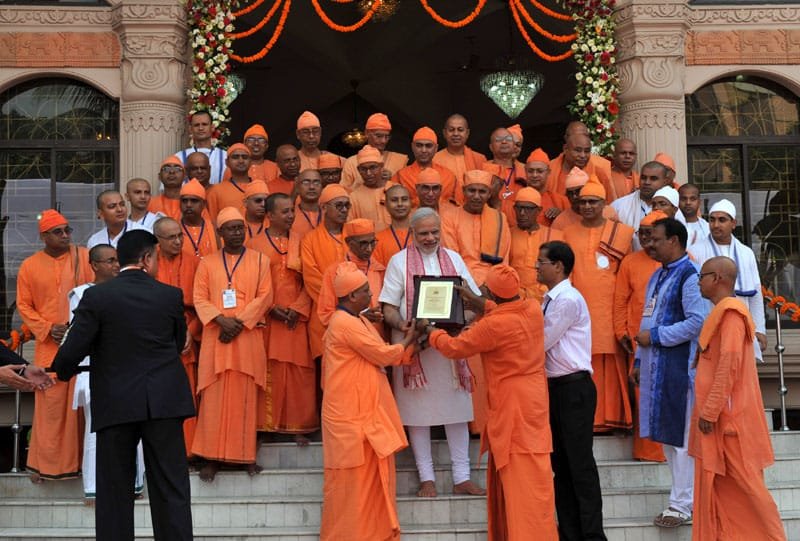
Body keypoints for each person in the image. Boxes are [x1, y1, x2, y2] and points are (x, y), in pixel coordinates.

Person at [52, 229, 194, 541]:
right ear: (146, 259)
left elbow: (74, 348)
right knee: (171, 487)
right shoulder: (170, 295)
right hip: (164, 401)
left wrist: (59, 372)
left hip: (116, 402)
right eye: (156, 257)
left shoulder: (98, 296)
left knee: (114, 490)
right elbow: (175, 343)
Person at [424, 265, 558, 540]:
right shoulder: (532, 308)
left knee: (522, 485)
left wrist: (430, 332)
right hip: (533, 400)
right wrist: (478, 300)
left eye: (485, 289)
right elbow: (503, 308)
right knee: (535, 480)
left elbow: (454, 348)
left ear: (493, 294)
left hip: (512, 406)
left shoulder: (493, 325)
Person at [379, 207, 483, 498]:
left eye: (434, 232)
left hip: (450, 347)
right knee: (417, 414)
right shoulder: (398, 262)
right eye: (423, 233)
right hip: (415, 348)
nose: (430, 238)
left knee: (457, 413)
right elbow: (387, 306)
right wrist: (405, 325)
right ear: (412, 233)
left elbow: (475, 301)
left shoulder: (455, 259)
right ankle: (427, 478)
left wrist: (463, 324)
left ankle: (462, 477)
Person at [689, 256, 787, 541]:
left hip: (730, 424)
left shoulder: (731, 314)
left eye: (702, 276)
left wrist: (710, 410)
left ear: (717, 278)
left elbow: (728, 366)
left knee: (749, 491)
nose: (699, 281)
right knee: (722, 490)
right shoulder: (721, 312)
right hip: (720, 421)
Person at [319, 264, 418, 541]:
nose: (370, 293)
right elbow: (382, 355)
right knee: (352, 485)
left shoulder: (357, 319)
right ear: (351, 297)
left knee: (369, 481)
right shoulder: (344, 323)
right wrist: (410, 337)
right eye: (365, 291)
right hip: (351, 419)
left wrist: (411, 346)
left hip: (362, 415)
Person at [632, 218, 706, 528]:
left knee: (680, 440)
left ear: (674, 241)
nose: (649, 244)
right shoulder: (658, 275)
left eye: (656, 239)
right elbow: (646, 320)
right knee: (667, 439)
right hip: (655, 368)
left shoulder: (689, 276)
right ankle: (679, 499)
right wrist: (638, 360)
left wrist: (658, 337)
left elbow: (697, 322)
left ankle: (682, 505)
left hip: (678, 369)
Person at [191, 207, 273, 482]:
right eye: (231, 228)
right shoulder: (207, 263)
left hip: (247, 338)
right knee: (213, 399)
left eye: (241, 228)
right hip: (217, 337)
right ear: (220, 233)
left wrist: (237, 322)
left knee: (245, 398)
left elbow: (264, 298)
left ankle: (245, 456)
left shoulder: (261, 260)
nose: (237, 233)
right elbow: (199, 297)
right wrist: (221, 321)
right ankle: (212, 458)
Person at [537, 240, 606, 541]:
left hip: (573, 388)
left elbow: (541, 342)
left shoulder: (566, 299)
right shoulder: (549, 298)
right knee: (561, 467)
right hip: (556, 388)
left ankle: (591, 535)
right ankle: (570, 533)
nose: (536, 266)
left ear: (558, 266)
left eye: (542, 261)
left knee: (579, 465)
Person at [17, 209, 93, 483]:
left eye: (67, 230)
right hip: (48, 347)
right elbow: (24, 305)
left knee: (81, 407)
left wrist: (77, 329)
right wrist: (49, 328)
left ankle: (83, 467)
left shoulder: (83, 256)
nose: (65, 236)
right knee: (50, 408)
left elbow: (95, 292)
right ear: (44, 237)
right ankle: (45, 467)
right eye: (58, 232)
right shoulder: (29, 265)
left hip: (82, 345)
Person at [68, 244, 146, 503]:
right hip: (96, 371)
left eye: (117, 261)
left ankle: (134, 486)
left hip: (129, 371)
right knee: (96, 433)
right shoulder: (81, 294)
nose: (115, 265)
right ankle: (94, 488)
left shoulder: (127, 290)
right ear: (94, 265)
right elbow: (80, 337)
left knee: (134, 431)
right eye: (109, 261)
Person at [563, 179, 634, 432]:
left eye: (593, 202)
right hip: (579, 308)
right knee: (583, 361)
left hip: (611, 306)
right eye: (583, 202)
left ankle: (612, 417)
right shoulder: (568, 233)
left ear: (604, 204)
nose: (587, 206)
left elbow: (629, 272)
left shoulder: (622, 233)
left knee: (609, 361)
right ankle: (588, 419)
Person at [248, 194, 318, 445]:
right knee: (271, 370)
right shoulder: (254, 245)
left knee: (300, 372)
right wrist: (271, 308)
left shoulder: (304, 241)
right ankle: (268, 426)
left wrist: (298, 308)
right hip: (269, 318)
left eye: (292, 211)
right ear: (269, 215)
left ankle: (297, 426)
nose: (290, 216)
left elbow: (310, 280)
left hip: (298, 318)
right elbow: (251, 284)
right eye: (285, 212)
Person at [612, 211, 667, 462]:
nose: (646, 239)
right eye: (642, 233)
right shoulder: (631, 262)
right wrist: (621, 331)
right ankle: (647, 451)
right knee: (643, 395)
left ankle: (671, 449)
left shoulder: (682, 261)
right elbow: (620, 300)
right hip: (639, 340)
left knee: (669, 393)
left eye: (651, 234)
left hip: (671, 341)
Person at [689, 199, 767, 361]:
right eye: (712, 219)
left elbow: (756, 293)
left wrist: (759, 328)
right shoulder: (695, 251)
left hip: (740, 325)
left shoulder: (746, 253)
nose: (716, 225)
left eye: (722, 220)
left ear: (733, 223)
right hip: (708, 325)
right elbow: (692, 294)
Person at [153, 217, 202, 456]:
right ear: (157, 241)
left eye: (180, 236)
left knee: (186, 394)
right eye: (171, 237)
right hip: (157, 338)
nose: (178, 241)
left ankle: (188, 451)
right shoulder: (149, 262)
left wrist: (190, 333)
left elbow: (201, 303)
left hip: (186, 335)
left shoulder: (195, 262)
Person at [299, 184, 349, 360]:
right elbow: (311, 278)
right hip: (323, 316)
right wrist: (343, 301)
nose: (344, 210)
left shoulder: (354, 235)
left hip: (355, 316)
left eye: (346, 205)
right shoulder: (310, 239)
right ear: (324, 208)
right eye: (339, 205)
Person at [441, 169, 511, 286]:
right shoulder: (449, 217)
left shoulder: (500, 218)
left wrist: (494, 285)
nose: (476, 196)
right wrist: (475, 285)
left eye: (482, 191)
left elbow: (504, 260)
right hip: (462, 282)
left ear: (489, 194)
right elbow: (452, 258)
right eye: (472, 190)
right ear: (463, 191)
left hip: (494, 284)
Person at [317, 219, 385, 332]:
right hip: (349, 338)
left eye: (372, 242)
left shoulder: (379, 270)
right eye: (363, 243)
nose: (369, 249)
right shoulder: (334, 272)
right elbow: (325, 315)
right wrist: (360, 318)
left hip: (377, 339)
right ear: (349, 243)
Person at [509, 187, 560, 302]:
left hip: (546, 299)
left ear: (539, 210)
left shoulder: (555, 236)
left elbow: (562, 273)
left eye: (528, 209)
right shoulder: (507, 234)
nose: (522, 213)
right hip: (514, 299)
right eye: (519, 208)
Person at [611, 160, 673, 250]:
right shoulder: (618, 206)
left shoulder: (672, 208)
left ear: (665, 181)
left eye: (653, 178)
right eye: (643, 178)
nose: (647, 182)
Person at [341, 113, 408, 191]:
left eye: (387, 136)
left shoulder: (399, 160)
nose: (384, 141)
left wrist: (393, 179)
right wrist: (362, 182)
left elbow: (407, 192)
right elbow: (343, 193)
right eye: (379, 136)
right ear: (367, 133)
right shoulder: (351, 162)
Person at [394, 126, 460, 205]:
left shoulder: (449, 176)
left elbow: (458, 206)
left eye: (428, 146)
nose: (423, 150)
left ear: (436, 148)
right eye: (419, 145)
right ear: (412, 147)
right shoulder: (400, 176)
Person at [546, 127, 613, 199]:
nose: (582, 155)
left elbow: (609, 202)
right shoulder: (549, 169)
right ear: (565, 149)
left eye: (587, 151)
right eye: (578, 150)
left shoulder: (599, 171)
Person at [550, 168, 618, 231]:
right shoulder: (560, 221)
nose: (574, 196)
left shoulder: (609, 213)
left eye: (578, 191)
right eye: (570, 193)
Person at [176, 110, 227, 185]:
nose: (200, 128)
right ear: (190, 129)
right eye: (196, 125)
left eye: (204, 124)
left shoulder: (225, 156)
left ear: (212, 127)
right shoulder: (179, 158)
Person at [349, 145, 392, 230]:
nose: (368, 173)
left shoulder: (396, 190)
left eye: (373, 167)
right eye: (364, 169)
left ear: (381, 167)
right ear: (358, 170)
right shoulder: (353, 197)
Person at [206, 143, 254, 221]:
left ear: (251, 162)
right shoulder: (216, 191)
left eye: (244, 157)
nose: (241, 161)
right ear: (227, 162)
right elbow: (212, 222)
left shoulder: (260, 187)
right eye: (235, 157)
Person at [524, 148, 569, 227]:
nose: (534, 175)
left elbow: (573, 224)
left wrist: (561, 216)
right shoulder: (517, 198)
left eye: (540, 171)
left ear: (548, 172)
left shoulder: (561, 201)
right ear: (525, 171)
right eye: (530, 171)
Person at [288, 169, 322, 269]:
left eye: (316, 182)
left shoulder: (329, 213)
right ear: (297, 187)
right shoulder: (289, 215)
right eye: (306, 182)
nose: (311, 187)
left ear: (322, 187)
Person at [373, 184, 412, 267]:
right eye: (394, 200)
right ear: (386, 205)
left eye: (404, 199)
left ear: (411, 203)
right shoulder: (378, 240)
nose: (400, 204)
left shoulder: (422, 235)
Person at [179, 178, 218, 259]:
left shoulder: (214, 228)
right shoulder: (173, 229)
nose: (188, 205)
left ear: (203, 204)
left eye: (194, 200)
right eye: (184, 201)